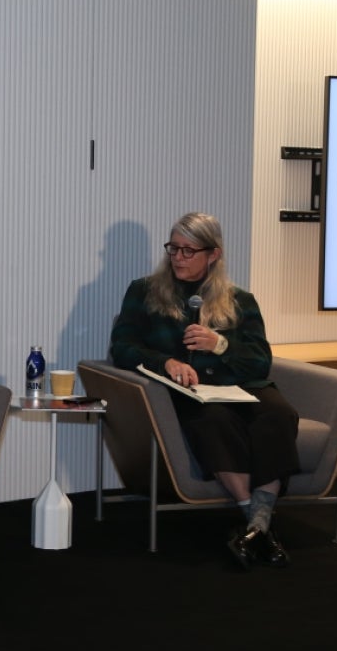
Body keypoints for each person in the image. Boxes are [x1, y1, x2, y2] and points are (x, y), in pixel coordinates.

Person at [110, 212, 299, 568]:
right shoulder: (144, 292)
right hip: (193, 393)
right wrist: (163, 362)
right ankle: (259, 526)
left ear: (213, 254)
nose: (178, 258)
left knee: (279, 414)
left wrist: (221, 345)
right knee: (213, 421)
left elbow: (260, 361)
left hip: (243, 387)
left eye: (188, 251)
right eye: (173, 249)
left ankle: (255, 529)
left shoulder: (240, 299)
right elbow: (122, 347)